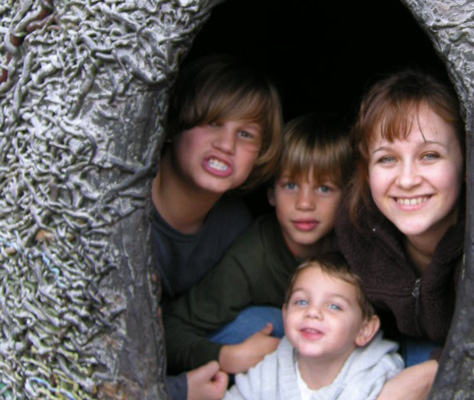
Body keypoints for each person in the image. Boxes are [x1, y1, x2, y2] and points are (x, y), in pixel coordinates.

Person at [162, 114, 354, 377]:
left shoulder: (359, 249)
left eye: (324, 188)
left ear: (349, 196)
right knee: (270, 323)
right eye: (290, 185)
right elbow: (169, 329)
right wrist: (224, 357)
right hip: (264, 355)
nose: (305, 203)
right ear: (271, 194)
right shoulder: (254, 254)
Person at [151, 54, 283, 400]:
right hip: (127, 361)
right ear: (176, 125)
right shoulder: (127, 207)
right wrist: (177, 392)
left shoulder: (234, 222)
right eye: (213, 122)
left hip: (182, 347)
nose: (226, 145)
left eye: (245, 134)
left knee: (274, 322)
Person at [335, 69, 465, 398]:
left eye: (430, 155)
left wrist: (434, 370)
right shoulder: (359, 227)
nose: (406, 179)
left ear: (467, 161)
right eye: (387, 158)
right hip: (390, 348)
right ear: (366, 171)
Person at [225, 252, 405, 399]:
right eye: (302, 302)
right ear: (285, 314)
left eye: (334, 306)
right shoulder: (271, 370)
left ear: (364, 329)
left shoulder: (377, 378)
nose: (312, 312)